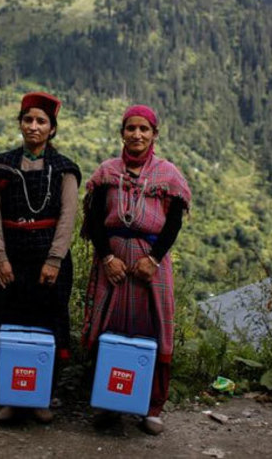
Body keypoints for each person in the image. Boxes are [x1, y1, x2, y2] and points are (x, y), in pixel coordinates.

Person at [81, 104, 191, 436]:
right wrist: (106, 258)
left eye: (144, 129)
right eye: (131, 128)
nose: (137, 134)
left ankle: (151, 406)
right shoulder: (107, 172)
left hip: (150, 263)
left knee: (153, 328)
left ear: (155, 134)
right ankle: (108, 403)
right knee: (109, 327)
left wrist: (154, 259)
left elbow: (173, 223)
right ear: (122, 133)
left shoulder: (168, 174)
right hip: (112, 261)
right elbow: (95, 220)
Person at [0, 91, 81, 424]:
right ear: (20, 123)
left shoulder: (64, 170)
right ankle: (8, 396)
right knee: (7, 323)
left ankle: (40, 397)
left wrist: (54, 259)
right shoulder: (1, 166)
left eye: (41, 121)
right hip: (10, 258)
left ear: (52, 128)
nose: (33, 127)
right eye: (28, 120)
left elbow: (68, 216)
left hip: (49, 261)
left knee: (45, 326)